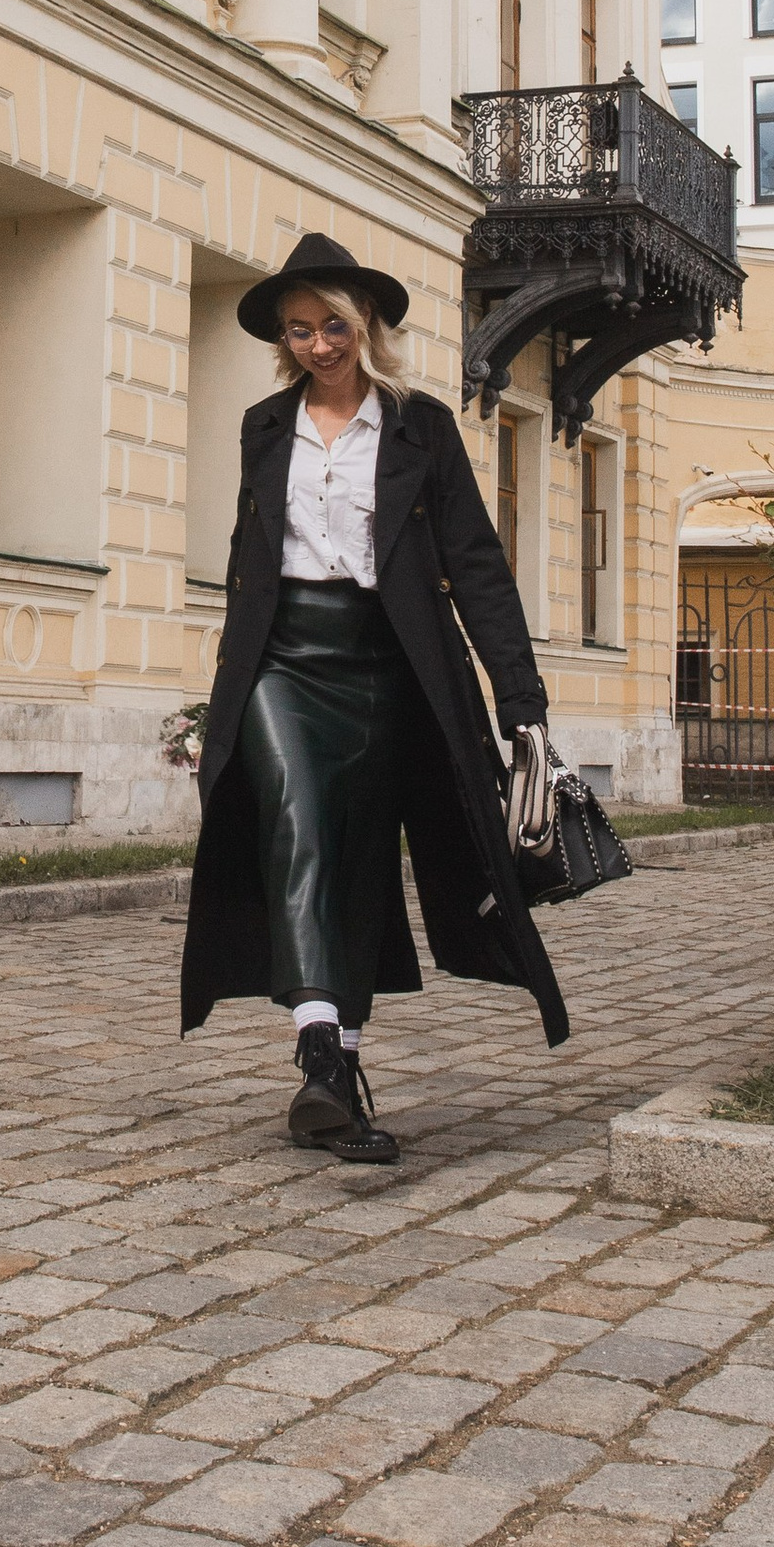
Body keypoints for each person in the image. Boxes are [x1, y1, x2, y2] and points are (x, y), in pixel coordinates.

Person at [180, 229, 568, 1164]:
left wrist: (519, 696)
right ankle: (317, 1041)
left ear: (366, 327)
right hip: (283, 660)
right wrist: (224, 686)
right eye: (300, 329)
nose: (319, 344)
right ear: (284, 340)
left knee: (357, 859)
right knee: (297, 824)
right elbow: (249, 556)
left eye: (334, 326)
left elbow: (475, 563)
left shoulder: (420, 425)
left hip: (390, 664)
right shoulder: (263, 425)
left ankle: (336, 1076)